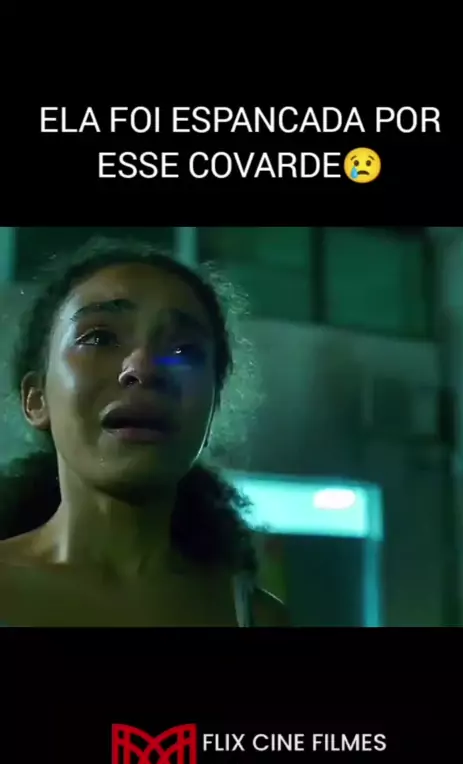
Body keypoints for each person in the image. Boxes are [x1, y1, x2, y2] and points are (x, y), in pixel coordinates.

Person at [0, 236, 288, 627]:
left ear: (211, 407)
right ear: (37, 398)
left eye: (184, 350)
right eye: (99, 338)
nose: (144, 367)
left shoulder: (254, 617)